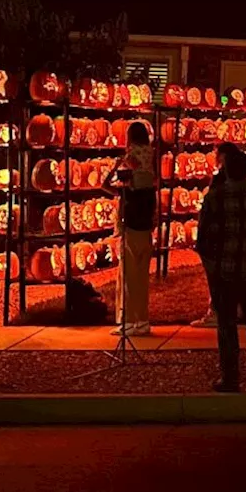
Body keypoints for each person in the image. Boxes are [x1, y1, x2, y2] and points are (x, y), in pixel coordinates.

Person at [195, 151, 246, 393]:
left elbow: (203, 239)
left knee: (227, 325)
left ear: (226, 171)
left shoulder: (215, 198)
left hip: (225, 272)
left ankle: (230, 377)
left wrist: (212, 265)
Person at [105, 120, 156, 336]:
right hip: (146, 227)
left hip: (132, 226)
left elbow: (109, 185)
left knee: (128, 275)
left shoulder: (130, 163)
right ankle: (142, 319)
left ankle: (128, 320)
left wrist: (118, 166)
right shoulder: (151, 165)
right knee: (141, 276)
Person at [190, 142, 242, 329]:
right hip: (235, 233)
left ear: (222, 157)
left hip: (217, 235)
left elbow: (210, 209)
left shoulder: (220, 180)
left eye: (216, 154)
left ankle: (216, 312)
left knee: (216, 276)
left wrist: (202, 236)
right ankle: (231, 309)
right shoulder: (242, 180)